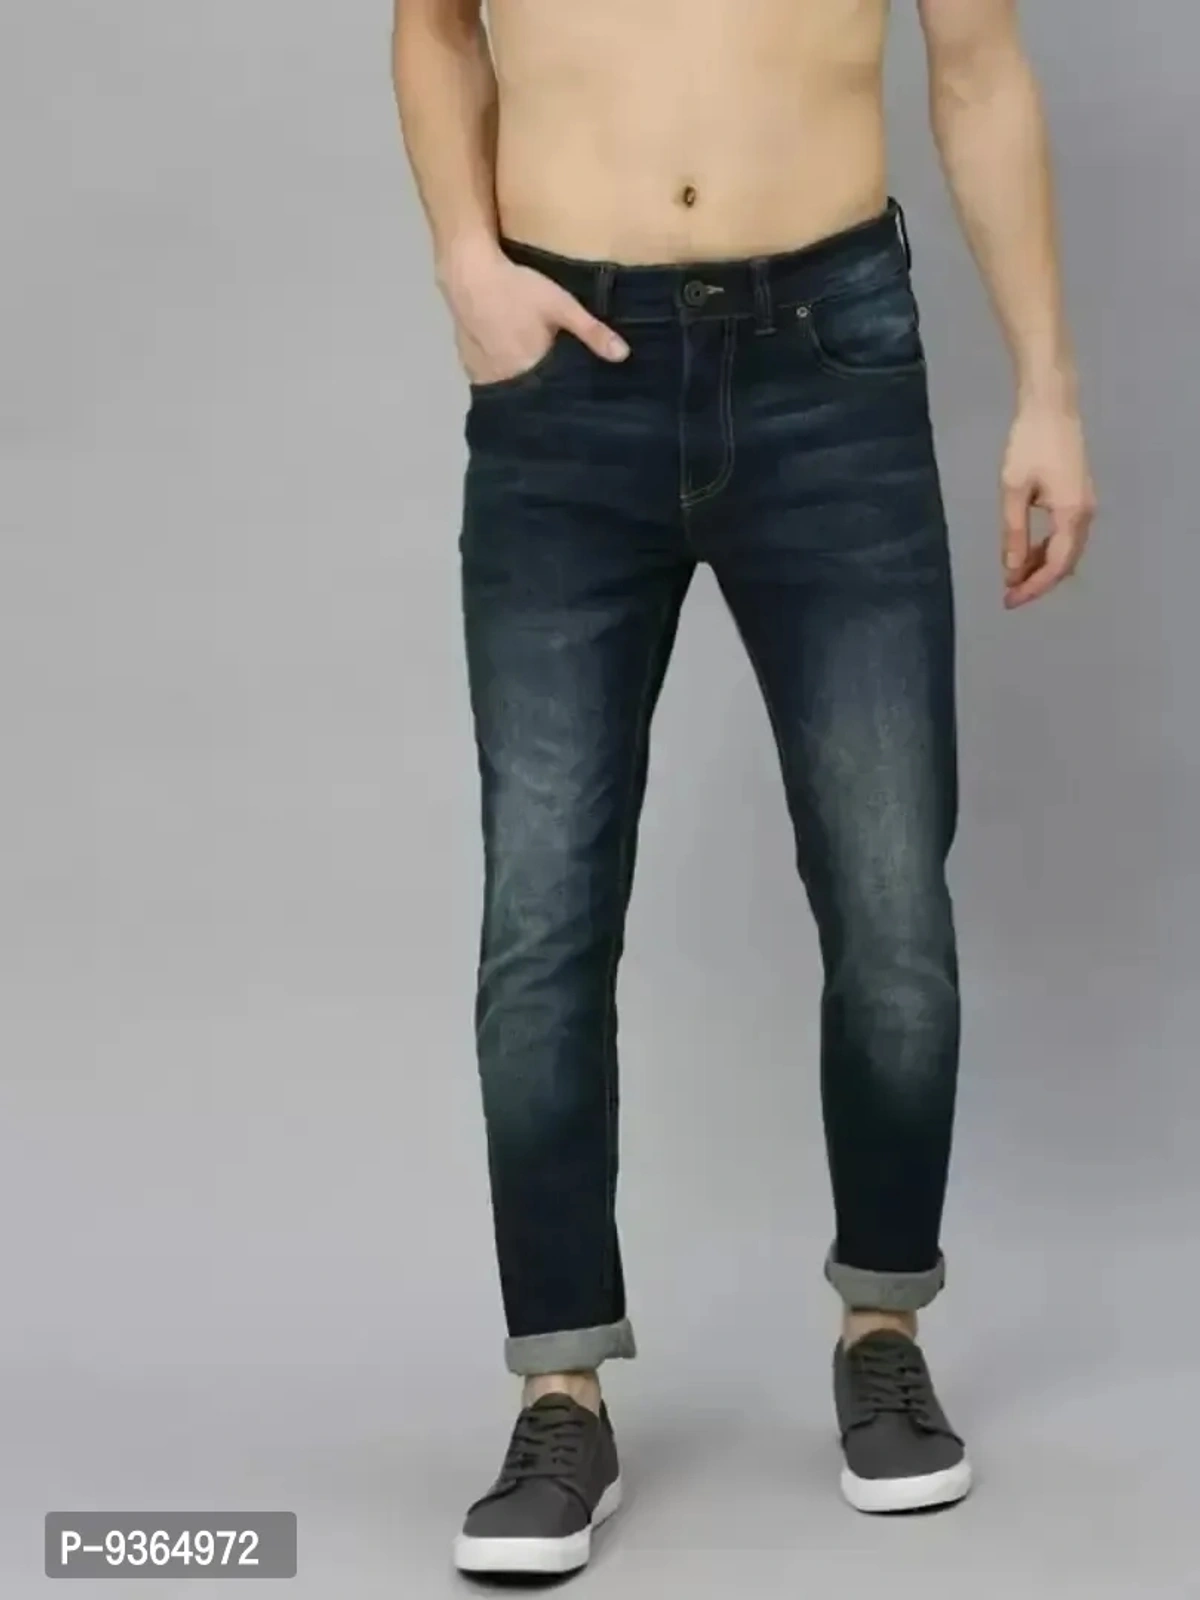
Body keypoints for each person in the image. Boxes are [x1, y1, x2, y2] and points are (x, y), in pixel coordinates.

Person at [394, 0, 1095, 1576]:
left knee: (891, 899)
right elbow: (434, 27)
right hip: (566, 376)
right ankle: (559, 1390)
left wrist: (1048, 389)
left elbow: (978, 68)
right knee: (543, 915)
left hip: (828, 363)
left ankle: (882, 1333)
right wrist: (465, 261)